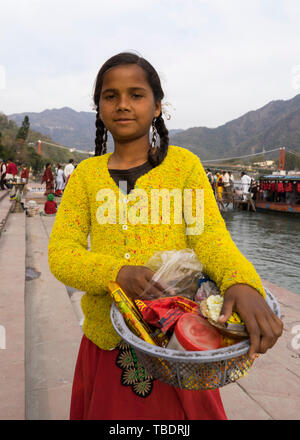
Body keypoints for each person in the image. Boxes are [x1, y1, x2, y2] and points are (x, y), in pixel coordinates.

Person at [48, 52, 282, 421]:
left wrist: (242, 282)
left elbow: (210, 237)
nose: (123, 104)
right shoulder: (85, 176)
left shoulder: (184, 166)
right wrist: (119, 274)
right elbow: (62, 253)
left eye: (136, 94)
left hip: (179, 338)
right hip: (110, 340)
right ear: (100, 108)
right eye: (111, 96)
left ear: (158, 106)